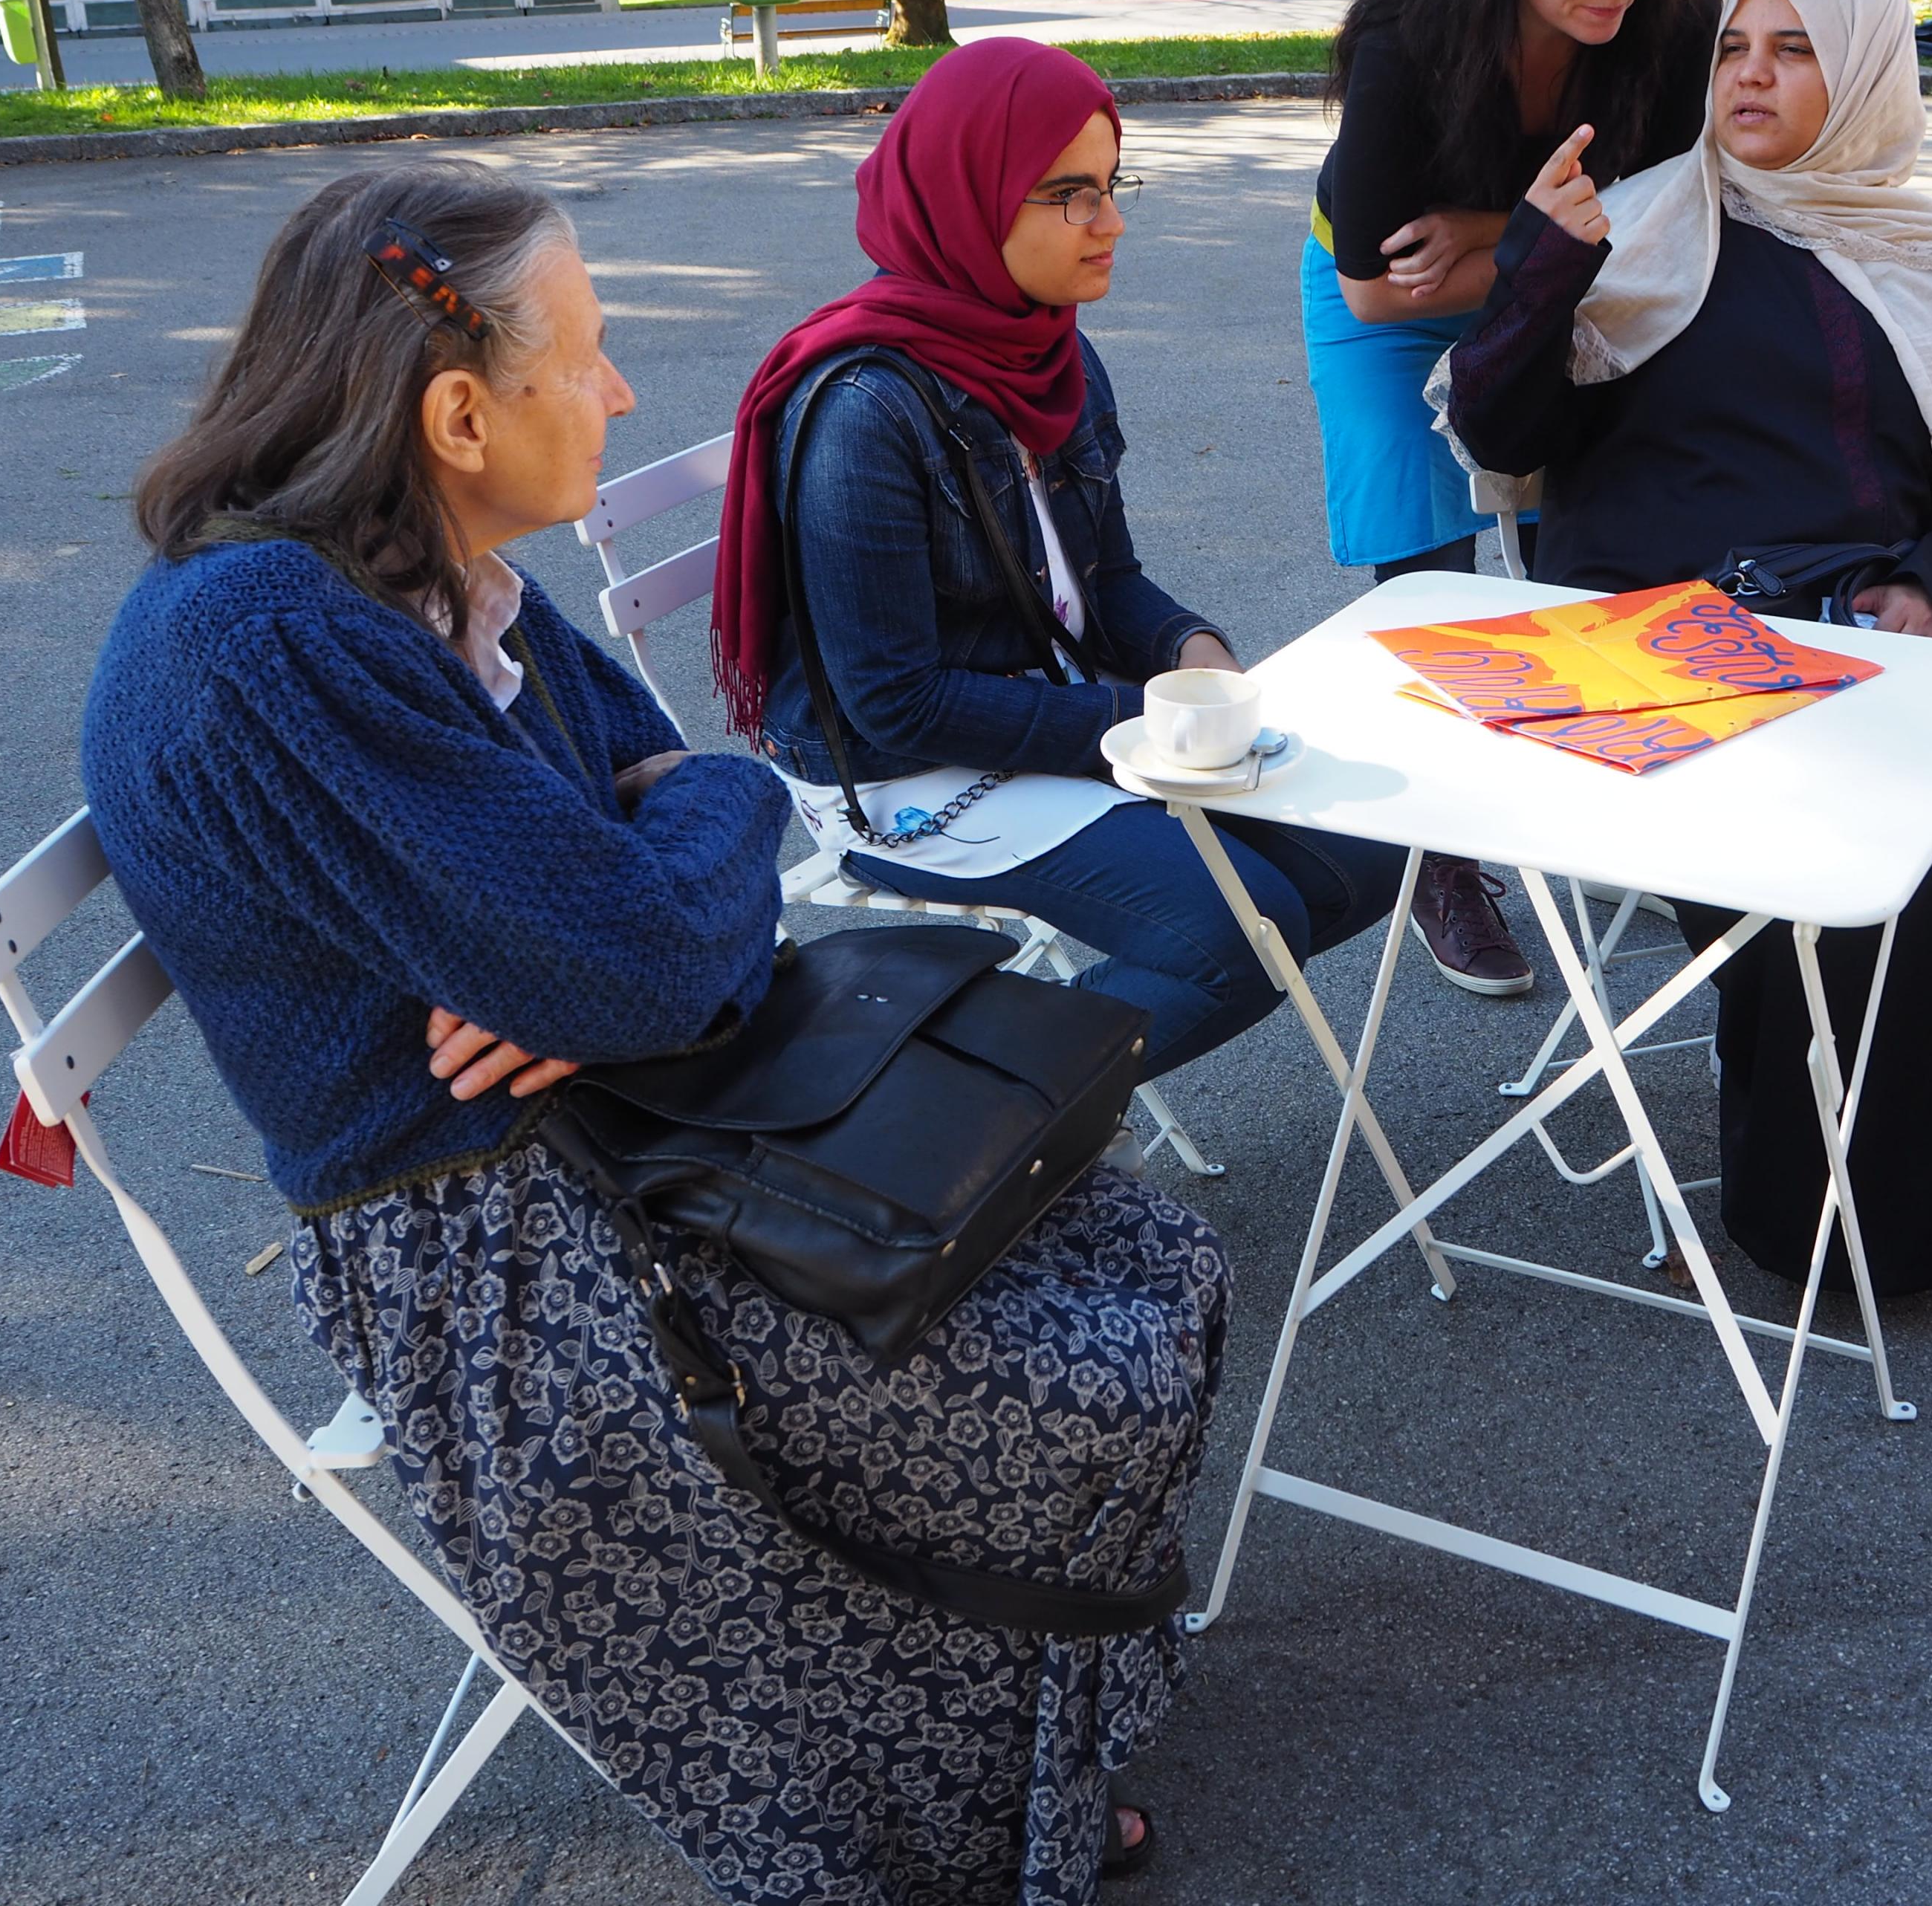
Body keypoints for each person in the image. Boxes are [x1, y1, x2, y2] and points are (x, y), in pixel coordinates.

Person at [81, 159, 1222, 1900]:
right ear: (460, 414)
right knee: (1068, 1363)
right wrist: (643, 905)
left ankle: (1016, 1765)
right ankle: (950, 1817)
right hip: (490, 1242)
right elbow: (639, 952)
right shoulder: (262, 642)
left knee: (1139, 1249)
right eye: (589, 354)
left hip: (636, 1121)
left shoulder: (436, 574)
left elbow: (696, 807)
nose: (619, 392)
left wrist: (674, 855)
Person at [1441, 0, 1932, 1306]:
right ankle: (1806, 1211)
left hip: (1859, 628)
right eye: (1735, 45)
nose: (1750, 74)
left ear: (1864, 75)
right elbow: (1500, 431)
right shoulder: (1645, 226)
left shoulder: (1928, 252)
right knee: (1826, 844)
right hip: (1658, 639)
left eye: (1795, 51)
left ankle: (1914, 1203)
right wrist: (1542, 264)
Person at [707, 39, 1406, 1090]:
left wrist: (1192, 652)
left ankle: (1025, 1104)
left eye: (1113, 184)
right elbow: (892, 703)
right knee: (1238, 936)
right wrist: (1136, 724)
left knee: (1366, 854)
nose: (1110, 221)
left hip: (1050, 708)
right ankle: (953, 1128)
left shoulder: (1049, 349)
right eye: (1071, 194)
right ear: (970, 199)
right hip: (902, 776)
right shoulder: (862, 409)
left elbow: (1108, 580)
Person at [1303, 0, 1725, 999]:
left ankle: (1609, 807)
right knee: (1428, 581)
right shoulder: (1408, 25)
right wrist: (1545, 237)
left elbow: (1668, 208)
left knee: (1579, 553)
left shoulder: (1677, 9)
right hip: (1389, 305)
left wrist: (1502, 237)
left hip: (1561, 272)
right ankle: (1440, 853)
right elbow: (1378, 287)